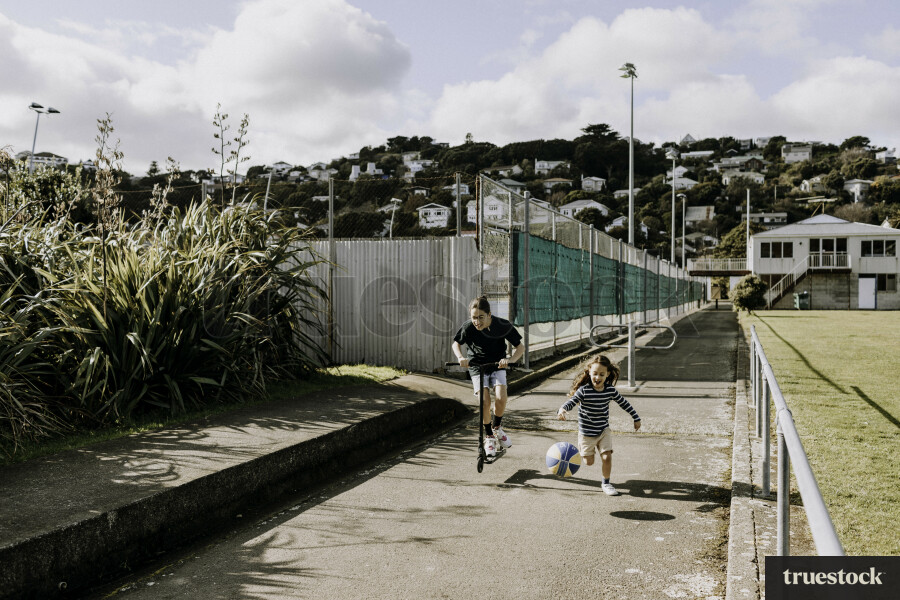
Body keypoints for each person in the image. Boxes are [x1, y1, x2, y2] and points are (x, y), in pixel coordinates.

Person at [452, 296, 525, 458]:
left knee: (501, 398)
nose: (477, 321)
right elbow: (456, 343)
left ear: (489, 315)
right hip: (477, 367)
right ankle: (489, 437)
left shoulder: (502, 325)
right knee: (485, 401)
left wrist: (510, 360)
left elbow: (520, 347)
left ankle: (497, 427)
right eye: (474, 318)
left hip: (497, 365)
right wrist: (460, 358)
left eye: (481, 317)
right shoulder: (468, 327)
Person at [557, 354, 641, 496]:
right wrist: (563, 409)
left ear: (607, 374)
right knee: (589, 462)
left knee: (607, 456)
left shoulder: (610, 390)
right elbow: (571, 402)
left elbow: (624, 403)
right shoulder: (584, 390)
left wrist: (635, 417)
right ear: (589, 372)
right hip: (586, 434)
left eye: (601, 374)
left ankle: (606, 483)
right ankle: (584, 451)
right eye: (595, 373)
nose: (597, 377)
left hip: (603, 430)